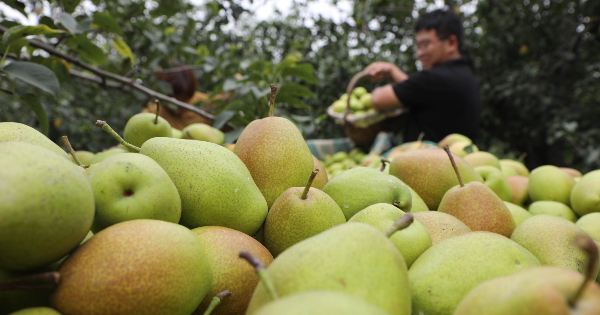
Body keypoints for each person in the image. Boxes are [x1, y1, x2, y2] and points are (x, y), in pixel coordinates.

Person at [364, 8, 481, 144]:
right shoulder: (464, 75)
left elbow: (377, 99)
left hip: (429, 163)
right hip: (457, 160)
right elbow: (417, 90)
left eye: (426, 45)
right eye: (418, 47)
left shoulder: (435, 78)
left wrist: (386, 74)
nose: (420, 53)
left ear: (451, 43)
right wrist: (391, 70)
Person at [142, 63, 230, 130]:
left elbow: (224, 99)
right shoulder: (151, 115)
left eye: (186, 100)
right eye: (174, 102)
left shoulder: (202, 101)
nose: (180, 108)